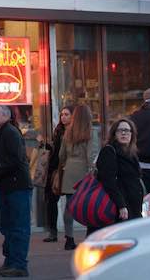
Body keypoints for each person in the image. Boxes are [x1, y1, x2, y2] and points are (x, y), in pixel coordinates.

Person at [0, 104, 30, 278]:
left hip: (18, 186)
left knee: (19, 227)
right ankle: (9, 262)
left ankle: (19, 265)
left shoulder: (11, 133)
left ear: (6, 116)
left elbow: (16, 160)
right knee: (7, 226)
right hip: (4, 186)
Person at [54, 102, 94, 251]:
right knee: (90, 205)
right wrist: (93, 170)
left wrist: (66, 165)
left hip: (69, 170)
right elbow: (91, 155)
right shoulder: (91, 132)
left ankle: (69, 238)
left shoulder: (68, 133)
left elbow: (61, 155)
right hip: (85, 171)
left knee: (70, 206)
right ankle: (90, 236)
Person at [94, 118, 144, 231]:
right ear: (114, 134)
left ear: (132, 134)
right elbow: (108, 182)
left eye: (127, 130)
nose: (124, 133)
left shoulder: (131, 153)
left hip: (133, 205)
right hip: (118, 207)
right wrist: (121, 205)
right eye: (120, 130)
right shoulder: (109, 151)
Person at [40, 104, 70, 243]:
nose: (63, 117)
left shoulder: (75, 132)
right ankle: (53, 231)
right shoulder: (58, 131)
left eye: (67, 114)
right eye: (62, 114)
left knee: (71, 201)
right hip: (54, 169)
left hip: (68, 169)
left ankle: (69, 234)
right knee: (51, 200)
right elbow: (55, 151)